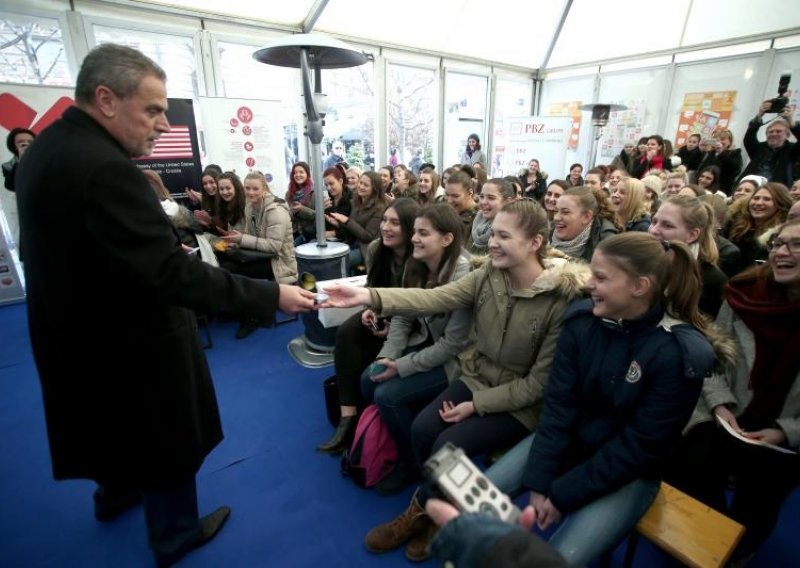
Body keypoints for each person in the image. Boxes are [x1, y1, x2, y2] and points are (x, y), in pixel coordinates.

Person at [14, 44, 316, 568]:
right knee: (163, 431)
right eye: (152, 109)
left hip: (76, 330)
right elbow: (170, 274)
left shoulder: (45, 150)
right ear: (105, 98)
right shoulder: (107, 170)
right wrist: (274, 295)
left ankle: (115, 493)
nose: (162, 123)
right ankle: (175, 533)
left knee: (107, 424)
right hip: (129, 337)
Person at [323, 199, 590, 562]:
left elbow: (536, 386)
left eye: (503, 235)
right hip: (477, 376)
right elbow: (431, 299)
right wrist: (370, 295)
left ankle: (427, 514)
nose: (492, 242)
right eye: (492, 232)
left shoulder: (560, 301)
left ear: (534, 243)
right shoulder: (488, 275)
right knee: (421, 430)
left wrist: (475, 405)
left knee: (447, 444)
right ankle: (432, 506)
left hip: (520, 402)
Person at [483, 232, 721, 566]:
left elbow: (640, 447)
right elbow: (559, 407)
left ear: (639, 286)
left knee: (561, 558)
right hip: (572, 443)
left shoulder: (676, 353)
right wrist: (539, 482)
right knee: (479, 497)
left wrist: (562, 494)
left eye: (601, 277)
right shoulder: (582, 323)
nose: (588, 284)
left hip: (629, 472)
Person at [667, 218, 800, 564]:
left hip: (783, 432)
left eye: (796, 245)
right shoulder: (745, 292)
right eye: (777, 244)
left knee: (759, 497)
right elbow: (714, 357)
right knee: (689, 459)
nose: (782, 252)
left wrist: (786, 432)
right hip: (728, 412)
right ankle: (704, 540)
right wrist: (720, 404)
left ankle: (737, 548)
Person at [360, 203, 472, 494]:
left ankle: (409, 463)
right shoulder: (417, 263)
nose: (414, 239)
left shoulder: (463, 274)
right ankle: (384, 442)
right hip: (426, 343)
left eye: (423, 233)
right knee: (368, 377)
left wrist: (401, 367)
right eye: (415, 232)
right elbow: (402, 317)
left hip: (456, 361)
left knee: (387, 395)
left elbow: (454, 345)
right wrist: (387, 356)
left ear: (446, 239)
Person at [316, 198, 421, 454]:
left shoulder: (420, 257)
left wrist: (389, 322)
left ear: (410, 228)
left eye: (395, 223)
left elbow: (418, 307)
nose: (386, 227)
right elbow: (374, 289)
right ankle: (348, 416)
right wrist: (370, 311)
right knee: (347, 331)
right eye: (385, 220)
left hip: (412, 321)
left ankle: (363, 412)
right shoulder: (376, 249)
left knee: (367, 344)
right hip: (385, 311)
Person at [219, 170, 298, 338]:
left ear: (264, 189)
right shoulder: (249, 206)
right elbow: (250, 235)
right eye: (247, 188)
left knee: (233, 270)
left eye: (255, 188)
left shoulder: (276, 211)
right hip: (261, 255)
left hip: (279, 262)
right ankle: (246, 311)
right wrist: (235, 239)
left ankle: (253, 316)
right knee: (226, 266)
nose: (250, 192)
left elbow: (274, 247)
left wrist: (241, 239)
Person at [649, 195, 727, 317]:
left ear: (692, 235)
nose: (654, 230)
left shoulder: (710, 279)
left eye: (667, 225)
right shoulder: (641, 260)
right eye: (654, 221)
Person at [326, 170, 388, 269]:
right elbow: (352, 229)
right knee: (329, 256)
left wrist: (347, 220)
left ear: (374, 189)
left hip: (366, 249)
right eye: (361, 183)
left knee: (338, 262)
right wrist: (338, 224)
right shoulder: (355, 201)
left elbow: (368, 236)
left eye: (366, 185)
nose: (361, 187)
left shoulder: (379, 208)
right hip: (351, 242)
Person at [725, 182, 792, 268]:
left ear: (780, 204)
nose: (759, 203)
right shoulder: (734, 224)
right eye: (756, 198)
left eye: (767, 199)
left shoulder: (779, 236)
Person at [739, 101, 800, 186]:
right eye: (770, 132)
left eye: (779, 131)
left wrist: (791, 122)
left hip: (776, 193)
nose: (774, 134)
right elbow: (749, 138)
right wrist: (759, 115)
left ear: (787, 135)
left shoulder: (791, 150)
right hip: (750, 189)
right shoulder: (759, 148)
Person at [551, 186, 619, 263]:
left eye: (565, 212)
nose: (556, 218)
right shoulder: (546, 234)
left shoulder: (606, 244)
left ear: (586, 217)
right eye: (556, 211)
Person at [468, 177, 516, 254]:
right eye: (481, 196)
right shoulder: (476, 220)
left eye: (491, 198)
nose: (483, 202)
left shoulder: (513, 233)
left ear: (508, 202)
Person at [2, 127, 36, 191]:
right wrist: (21, 162)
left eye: (30, 142)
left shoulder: (45, 159)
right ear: (14, 146)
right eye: (21, 142)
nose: (26, 144)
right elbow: (11, 186)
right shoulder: (8, 166)